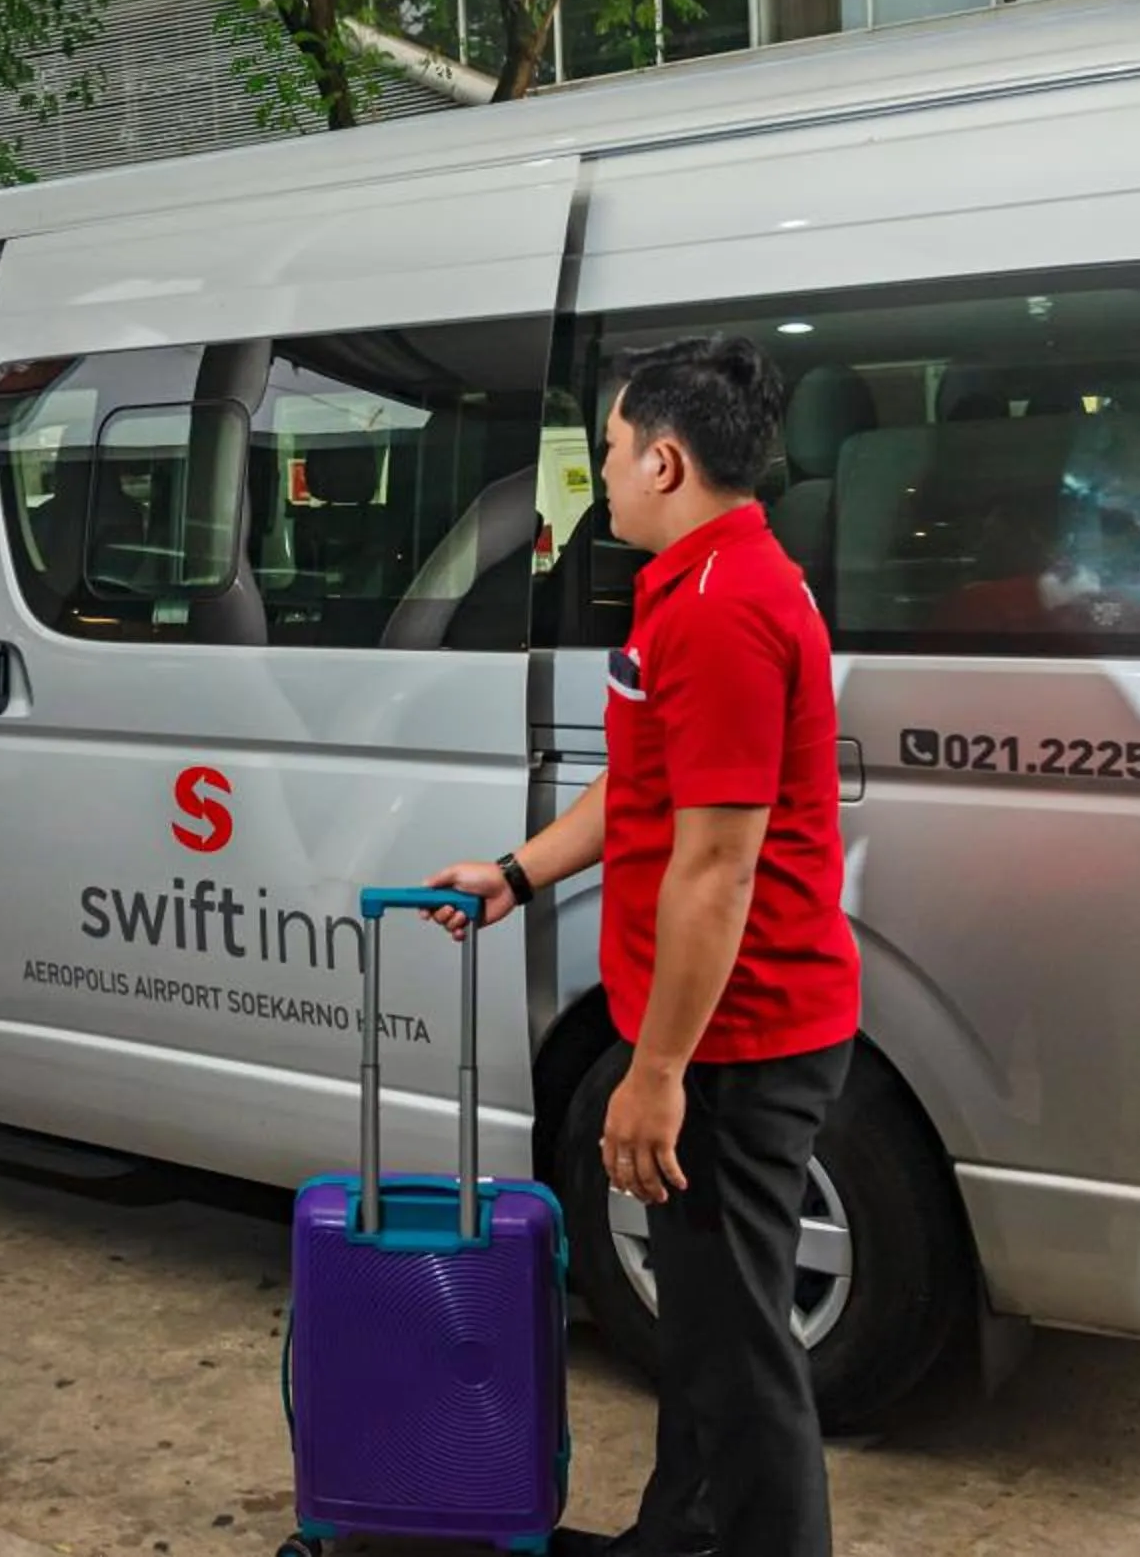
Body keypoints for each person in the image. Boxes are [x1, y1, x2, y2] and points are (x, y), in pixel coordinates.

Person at [430, 334, 858, 1557]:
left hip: (737, 1040)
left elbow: (714, 867)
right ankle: (675, 1541)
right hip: (731, 1027)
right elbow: (645, 789)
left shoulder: (724, 611)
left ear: (666, 461)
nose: (601, 475)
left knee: (743, 1353)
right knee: (713, 1338)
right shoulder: (705, 580)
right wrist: (518, 872)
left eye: (610, 452)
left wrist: (655, 1071)